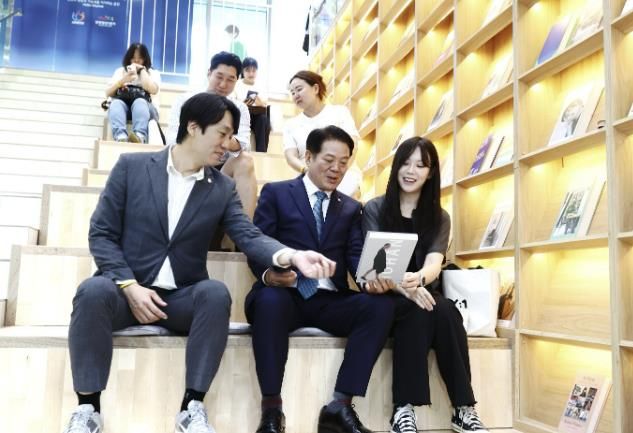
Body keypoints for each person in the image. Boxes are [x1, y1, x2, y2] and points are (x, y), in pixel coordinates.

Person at [62, 93, 336, 433]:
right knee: (92, 291)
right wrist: (130, 286)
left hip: (179, 297)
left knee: (215, 293)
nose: (229, 144)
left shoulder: (221, 188)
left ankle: (192, 407)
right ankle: (88, 408)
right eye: (222, 133)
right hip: (126, 292)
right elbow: (101, 234)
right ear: (193, 127)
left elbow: (248, 235)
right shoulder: (130, 167)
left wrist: (293, 256)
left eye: (232, 135)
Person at [246, 125, 395, 433]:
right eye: (329, 160)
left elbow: (355, 256)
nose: (336, 168)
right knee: (269, 301)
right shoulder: (276, 193)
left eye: (343, 162)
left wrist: (369, 280)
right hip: (285, 292)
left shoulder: (351, 208)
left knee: (380, 306)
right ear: (308, 156)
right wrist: (269, 275)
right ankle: (271, 410)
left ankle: (340, 406)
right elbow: (257, 245)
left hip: (329, 299)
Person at [362, 137, 489, 433]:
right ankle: (403, 409)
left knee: (446, 311)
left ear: (430, 173)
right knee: (417, 310)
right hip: (386, 292)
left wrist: (418, 279)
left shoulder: (439, 217)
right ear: (396, 167)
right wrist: (404, 287)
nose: (411, 171)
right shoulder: (375, 208)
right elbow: (373, 266)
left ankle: (464, 408)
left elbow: (434, 262)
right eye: (406, 163)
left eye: (420, 165)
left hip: (420, 288)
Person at [168, 51, 258, 219]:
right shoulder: (185, 100)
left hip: (221, 170)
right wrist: (208, 138)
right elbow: (173, 140)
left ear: (237, 80)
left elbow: (242, 145)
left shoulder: (239, 108)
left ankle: (244, 231)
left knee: (245, 160)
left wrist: (220, 135)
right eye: (219, 76)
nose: (223, 84)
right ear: (209, 73)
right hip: (188, 165)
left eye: (230, 79)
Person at [284, 70, 362, 197]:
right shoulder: (291, 125)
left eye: (299, 89)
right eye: (292, 92)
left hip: (342, 174)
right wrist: (308, 171)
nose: (295, 95)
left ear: (315, 88)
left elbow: (353, 145)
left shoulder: (340, 112)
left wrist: (337, 171)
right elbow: (290, 156)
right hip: (308, 177)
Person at [105, 42, 161, 143]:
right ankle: (121, 137)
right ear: (128, 58)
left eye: (140, 58)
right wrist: (124, 80)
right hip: (124, 108)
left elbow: (152, 89)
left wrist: (142, 70)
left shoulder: (153, 73)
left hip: (147, 110)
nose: (136, 60)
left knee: (139, 102)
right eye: (133, 57)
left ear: (145, 59)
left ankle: (139, 136)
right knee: (116, 103)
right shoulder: (120, 71)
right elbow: (108, 93)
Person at [233, 57, 271, 152]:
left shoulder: (261, 85)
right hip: (241, 115)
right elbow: (232, 102)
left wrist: (260, 103)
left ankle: (261, 151)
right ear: (242, 71)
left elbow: (265, 104)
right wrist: (242, 104)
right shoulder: (236, 84)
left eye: (254, 71)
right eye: (248, 70)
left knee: (263, 119)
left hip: (256, 116)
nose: (251, 74)